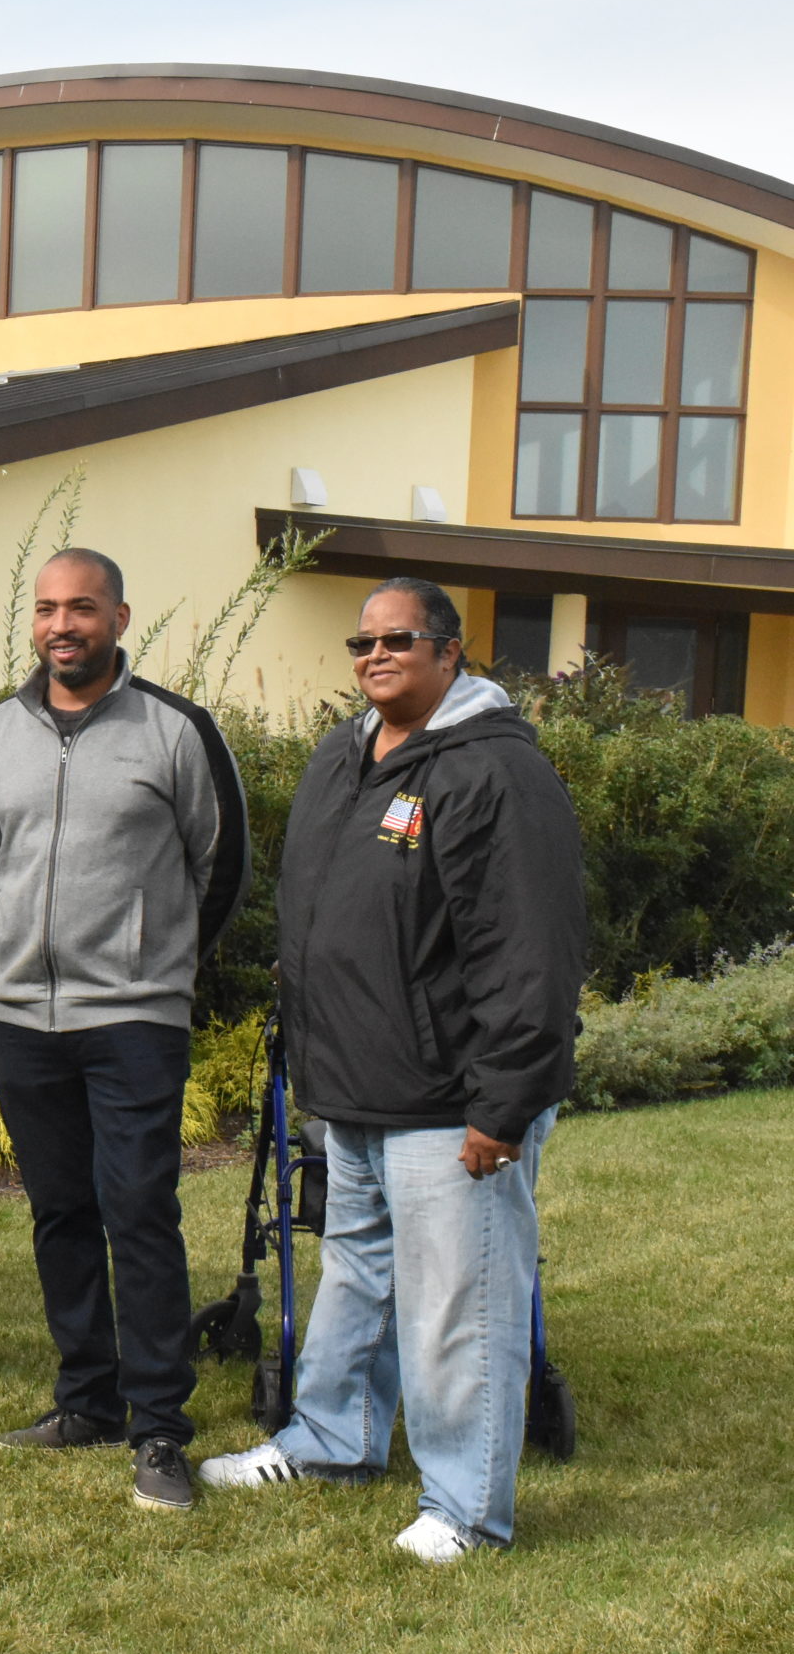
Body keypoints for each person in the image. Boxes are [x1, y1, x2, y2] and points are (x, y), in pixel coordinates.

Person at [199, 577, 587, 1564]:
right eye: (362, 641)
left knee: (460, 1302)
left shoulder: (495, 773)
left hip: (450, 1099)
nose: (374, 655)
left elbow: (531, 952)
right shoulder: (345, 755)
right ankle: (330, 1442)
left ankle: (465, 1510)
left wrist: (503, 1103)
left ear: (450, 652)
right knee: (358, 1277)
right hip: (353, 1085)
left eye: (398, 639)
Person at [0, 549, 250, 1513]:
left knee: (139, 1212)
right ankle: (86, 1399)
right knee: (61, 1213)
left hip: (134, 1017)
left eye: (81, 607)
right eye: (46, 608)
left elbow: (222, 865)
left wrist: (157, 961)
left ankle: (159, 1424)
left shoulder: (176, 730)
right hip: (22, 1019)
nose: (62, 625)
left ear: (119, 618)